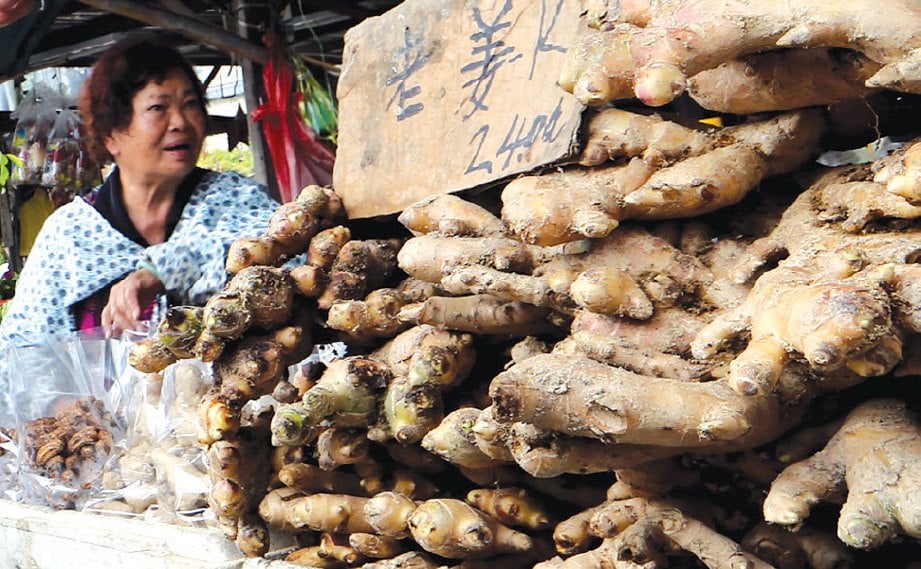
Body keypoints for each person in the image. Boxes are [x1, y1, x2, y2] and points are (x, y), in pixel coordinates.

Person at [0, 38, 282, 347]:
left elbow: (286, 262)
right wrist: (57, 397)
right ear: (111, 135)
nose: (180, 122)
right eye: (158, 108)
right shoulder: (69, 236)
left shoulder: (238, 201)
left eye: (190, 105)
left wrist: (163, 269)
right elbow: (24, 347)